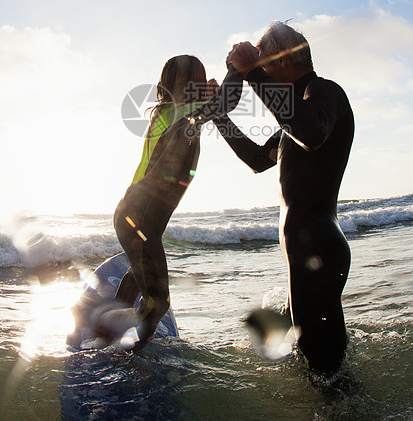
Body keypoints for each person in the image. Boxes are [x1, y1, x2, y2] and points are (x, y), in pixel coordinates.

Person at [213, 21, 354, 376]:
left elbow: (311, 132)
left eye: (265, 64)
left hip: (318, 245)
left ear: (284, 61)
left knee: (319, 359)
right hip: (306, 249)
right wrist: (219, 116)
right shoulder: (298, 113)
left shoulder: (325, 93)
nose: (259, 76)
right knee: (317, 356)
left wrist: (253, 73)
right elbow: (259, 160)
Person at [98, 55, 242, 346]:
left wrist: (209, 92)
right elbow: (226, 103)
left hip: (130, 214)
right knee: (158, 301)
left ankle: (105, 328)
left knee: (139, 271)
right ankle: (133, 354)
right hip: (139, 219)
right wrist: (235, 69)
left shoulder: (164, 112)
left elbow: (212, 107)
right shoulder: (185, 111)